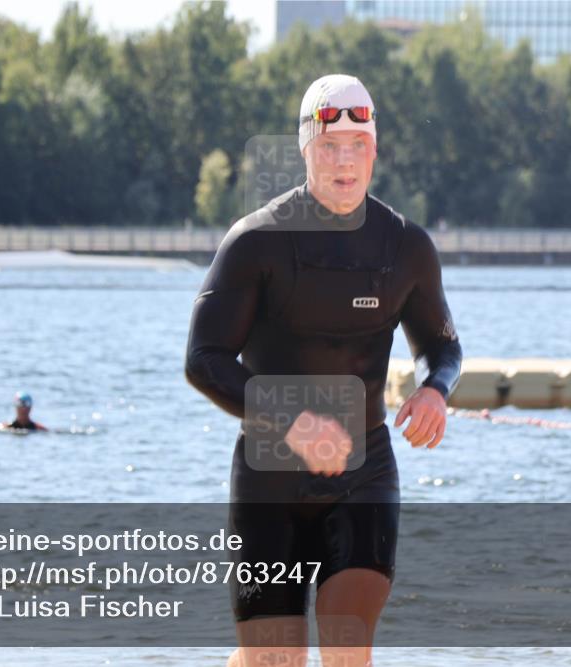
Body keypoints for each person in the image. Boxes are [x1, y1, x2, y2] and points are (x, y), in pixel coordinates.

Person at [185, 74, 462, 667]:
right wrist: (292, 422)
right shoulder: (257, 242)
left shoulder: (405, 247)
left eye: (357, 146)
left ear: (375, 150)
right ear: (306, 149)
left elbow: (442, 348)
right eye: (330, 147)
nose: (344, 162)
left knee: (345, 646)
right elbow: (203, 361)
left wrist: (436, 390)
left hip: (364, 470)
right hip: (270, 478)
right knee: (273, 661)